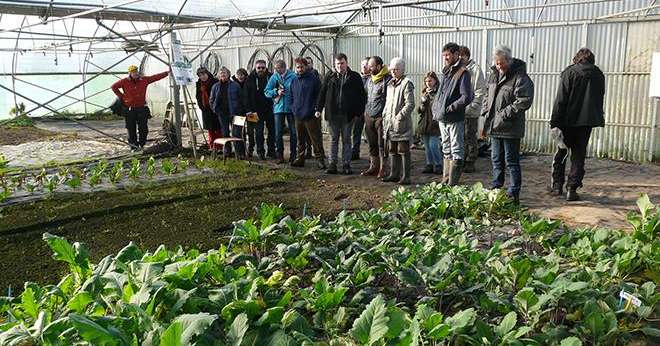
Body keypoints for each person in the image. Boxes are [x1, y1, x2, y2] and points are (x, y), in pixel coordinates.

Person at [550, 48, 605, 201]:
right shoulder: (599, 74)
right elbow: (599, 98)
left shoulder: (569, 73)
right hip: (586, 122)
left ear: (577, 59)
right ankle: (572, 189)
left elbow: (560, 99)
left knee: (561, 152)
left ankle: (556, 186)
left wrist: (554, 121)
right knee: (579, 155)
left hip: (567, 121)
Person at [483, 45, 534, 204]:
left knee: (511, 160)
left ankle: (513, 192)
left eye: (502, 63)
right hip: (495, 126)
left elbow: (524, 101)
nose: (499, 66)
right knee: (496, 159)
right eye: (497, 63)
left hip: (511, 127)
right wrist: (486, 110)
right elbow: (487, 95)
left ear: (509, 60)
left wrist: (504, 114)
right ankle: (497, 187)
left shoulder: (520, 77)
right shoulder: (493, 75)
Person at [316, 53, 367, 175]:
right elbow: (322, 93)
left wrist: (359, 112)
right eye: (337, 64)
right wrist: (318, 108)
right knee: (333, 139)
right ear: (335, 64)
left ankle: (346, 164)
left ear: (347, 63)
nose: (340, 66)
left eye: (342, 63)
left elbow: (362, 96)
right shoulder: (330, 76)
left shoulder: (354, 77)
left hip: (348, 115)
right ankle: (332, 164)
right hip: (333, 114)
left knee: (346, 140)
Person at [432, 42, 474, 186]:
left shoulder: (463, 73)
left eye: (448, 55)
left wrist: (451, 108)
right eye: (444, 55)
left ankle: (452, 183)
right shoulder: (446, 72)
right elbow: (441, 93)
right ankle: (446, 180)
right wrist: (437, 108)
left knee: (456, 149)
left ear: (457, 55)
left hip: (454, 117)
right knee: (446, 148)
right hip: (443, 117)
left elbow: (466, 97)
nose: (445, 58)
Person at [111, 65, 169, 150]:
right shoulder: (124, 81)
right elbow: (114, 87)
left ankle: (142, 143)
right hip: (130, 109)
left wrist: (166, 73)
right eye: (133, 72)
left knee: (143, 128)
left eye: (136, 71)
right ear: (129, 73)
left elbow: (155, 77)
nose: (135, 73)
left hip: (141, 108)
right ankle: (133, 146)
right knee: (131, 128)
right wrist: (122, 96)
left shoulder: (144, 80)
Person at [382, 57, 415, 185]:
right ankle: (394, 174)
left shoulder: (407, 83)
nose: (393, 72)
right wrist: (385, 115)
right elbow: (388, 103)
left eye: (396, 69)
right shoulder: (390, 84)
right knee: (392, 150)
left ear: (402, 69)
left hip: (402, 124)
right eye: (392, 69)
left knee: (403, 150)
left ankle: (406, 177)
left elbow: (410, 104)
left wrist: (400, 116)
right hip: (390, 123)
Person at [289, 57, 326, 168]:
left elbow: (319, 95)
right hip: (298, 115)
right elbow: (291, 96)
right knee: (300, 139)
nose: (300, 69)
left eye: (302, 67)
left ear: (306, 67)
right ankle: (300, 158)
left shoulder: (314, 79)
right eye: (298, 67)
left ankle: (320, 159)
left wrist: (316, 109)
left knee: (316, 138)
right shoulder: (294, 80)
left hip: (311, 115)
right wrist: (293, 108)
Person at [459, 46, 487, 173]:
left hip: (470, 111)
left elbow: (480, 91)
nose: (460, 58)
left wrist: (472, 107)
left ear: (467, 56)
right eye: (458, 55)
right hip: (459, 110)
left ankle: (470, 160)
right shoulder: (458, 69)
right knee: (460, 137)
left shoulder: (475, 70)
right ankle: (461, 160)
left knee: (470, 136)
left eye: (462, 55)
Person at [362, 56, 391, 178]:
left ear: (379, 66)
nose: (369, 68)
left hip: (381, 117)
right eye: (368, 65)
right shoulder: (369, 80)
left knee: (382, 144)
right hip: (369, 115)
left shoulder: (388, 80)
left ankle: (383, 168)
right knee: (371, 143)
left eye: (371, 66)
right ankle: (373, 166)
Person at [210, 66, 246, 158]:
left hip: (235, 113)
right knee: (225, 133)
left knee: (236, 134)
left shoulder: (235, 85)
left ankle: (240, 153)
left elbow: (241, 99)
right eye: (221, 73)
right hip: (222, 114)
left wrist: (240, 111)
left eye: (224, 73)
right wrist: (214, 109)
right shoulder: (215, 86)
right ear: (219, 76)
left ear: (228, 74)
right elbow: (212, 99)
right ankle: (227, 152)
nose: (223, 75)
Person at [265, 60, 297, 164]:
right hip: (278, 108)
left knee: (293, 132)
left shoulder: (293, 76)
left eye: (278, 69)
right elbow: (266, 91)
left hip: (291, 108)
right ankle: (280, 156)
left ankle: (293, 155)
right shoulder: (274, 77)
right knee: (278, 132)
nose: (276, 70)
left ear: (284, 68)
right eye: (275, 69)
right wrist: (276, 92)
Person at [246, 60, 275, 160]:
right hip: (254, 111)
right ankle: (260, 151)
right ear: (255, 67)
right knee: (258, 133)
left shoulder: (271, 77)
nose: (261, 70)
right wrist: (248, 110)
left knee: (272, 131)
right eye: (259, 68)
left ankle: (271, 151)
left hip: (269, 109)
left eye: (263, 68)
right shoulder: (250, 78)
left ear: (266, 67)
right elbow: (246, 96)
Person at [417, 71, 442, 174]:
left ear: (435, 81)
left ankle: (438, 164)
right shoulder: (425, 93)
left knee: (433, 145)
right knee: (427, 145)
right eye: (426, 81)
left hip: (434, 122)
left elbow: (438, 107)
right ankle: (429, 164)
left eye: (430, 80)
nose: (428, 83)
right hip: (425, 122)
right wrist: (422, 104)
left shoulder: (439, 93)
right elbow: (419, 110)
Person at [195, 67, 221, 149]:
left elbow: (218, 95)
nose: (202, 77)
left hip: (215, 109)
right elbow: (198, 96)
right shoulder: (199, 84)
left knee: (218, 128)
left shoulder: (215, 82)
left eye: (203, 74)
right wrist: (202, 107)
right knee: (210, 129)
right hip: (206, 109)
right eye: (200, 75)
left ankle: (220, 146)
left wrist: (215, 107)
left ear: (207, 73)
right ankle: (212, 146)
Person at [351, 56, 371, 161]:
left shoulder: (373, 79)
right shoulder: (356, 78)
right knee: (356, 131)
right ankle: (355, 152)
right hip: (359, 110)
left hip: (370, 110)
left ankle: (373, 155)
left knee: (370, 133)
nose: (364, 66)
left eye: (366, 64)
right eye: (362, 64)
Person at [232, 68, 250, 156]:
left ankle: (249, 150)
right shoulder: (234, 85)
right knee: (238, 132)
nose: (240, 77)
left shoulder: (249, 83)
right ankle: (240, 152)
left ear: (245, 75)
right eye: (239, 75)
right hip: (239, 113)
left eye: (242, 75)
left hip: (250, 111)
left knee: (251, 132)